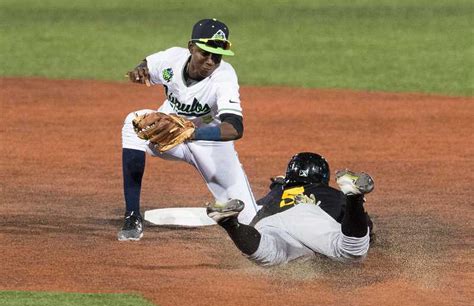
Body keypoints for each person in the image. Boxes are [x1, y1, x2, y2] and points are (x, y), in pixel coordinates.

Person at [118, 18, 258, 241]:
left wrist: (193, 133)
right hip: (168, 136)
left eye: (217, 55)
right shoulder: (172, 59)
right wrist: (139, 70)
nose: (211, 61)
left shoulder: (224, 77)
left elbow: (234, 128)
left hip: (211, 145)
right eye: (205, 53)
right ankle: (132, 215)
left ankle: (268, 203)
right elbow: (148, 64)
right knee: (132, 122)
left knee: (252, 221)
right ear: (191, 47)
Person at [206, 152, 375, 266]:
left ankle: (231, 224)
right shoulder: (332, 194)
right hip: (308, 216)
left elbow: (256, 219)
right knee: (352, 252)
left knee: (268, 254)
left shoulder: (275, 193)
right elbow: (366, 230)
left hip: (268, 223)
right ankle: (355, 197)